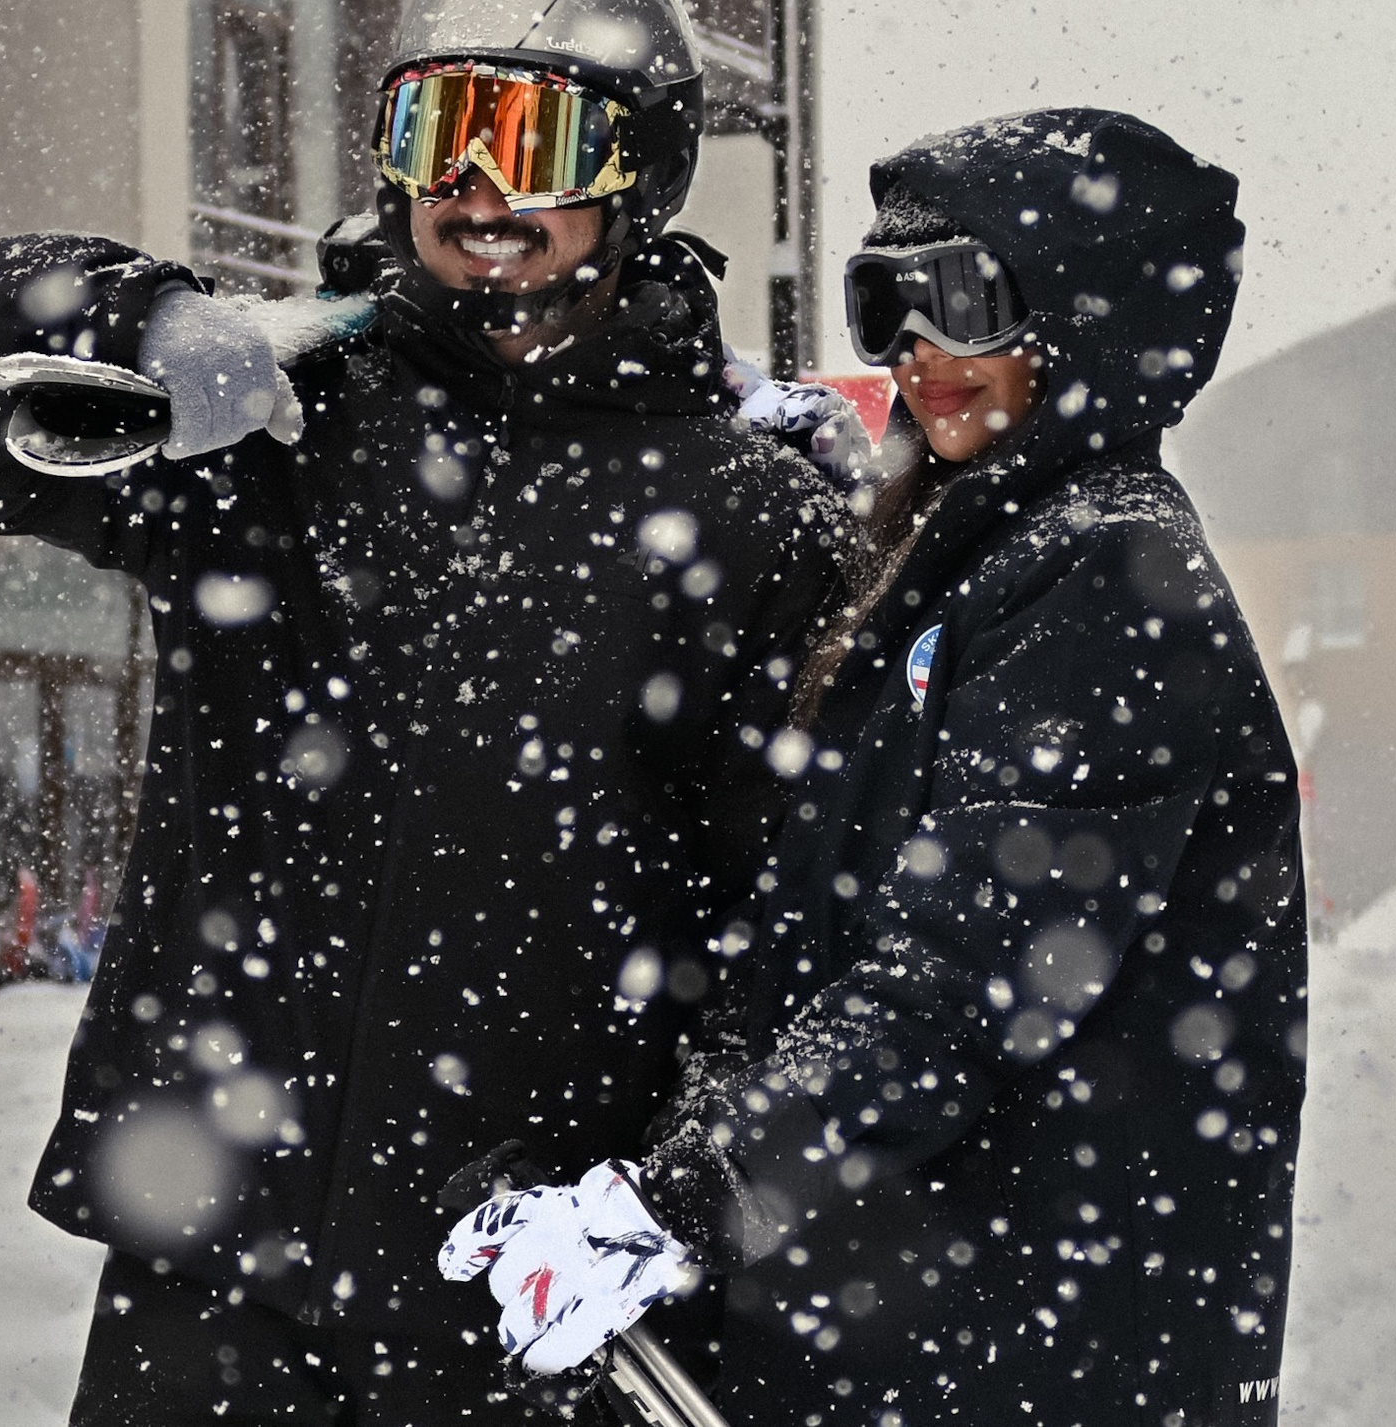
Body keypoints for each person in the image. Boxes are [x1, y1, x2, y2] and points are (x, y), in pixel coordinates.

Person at [0, 0, 851, 1425]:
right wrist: (141, 325)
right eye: (433, 130)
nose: (475, 185)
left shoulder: (746, 512)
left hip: (509, 1269)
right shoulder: (281, 431)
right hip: (220, 1253)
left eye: (529, 138)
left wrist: (671, 1195)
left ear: (635, 176)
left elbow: (796, 917)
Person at [443, 110, 1308, 1426]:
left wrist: (676, 1209)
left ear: (1093, 317)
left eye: (961, 297)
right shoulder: (956, 575)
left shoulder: (1112, 579)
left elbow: (959, 986)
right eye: (883, 303)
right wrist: (653, 1164)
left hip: (1037, 1353)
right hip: (927, 1336)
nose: (916, 349)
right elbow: (807, 940)